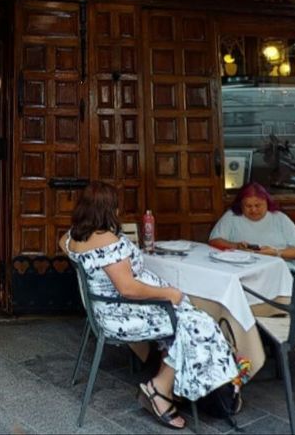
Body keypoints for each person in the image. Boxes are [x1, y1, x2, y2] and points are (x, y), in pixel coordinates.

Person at [61, 182, 238, 430]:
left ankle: (170, 382)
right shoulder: (107, 240)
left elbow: (93, 266)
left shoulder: (71, 237)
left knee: (189, 317)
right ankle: (160, 389)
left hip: (104, 311)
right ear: (109, 209)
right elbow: (128, 289)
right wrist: (167, 294)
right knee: (199, 323)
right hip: (121, 314)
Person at [208, 182, 295, 273]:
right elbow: (214, 241)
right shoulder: (232, 216)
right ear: (241, 205)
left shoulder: (280, 218)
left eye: (258, 205)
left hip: (278, 269)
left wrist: (276, 253)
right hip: (241, 269)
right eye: (248, 206)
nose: (254, 210)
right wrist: (236, 246)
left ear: (266, 203)